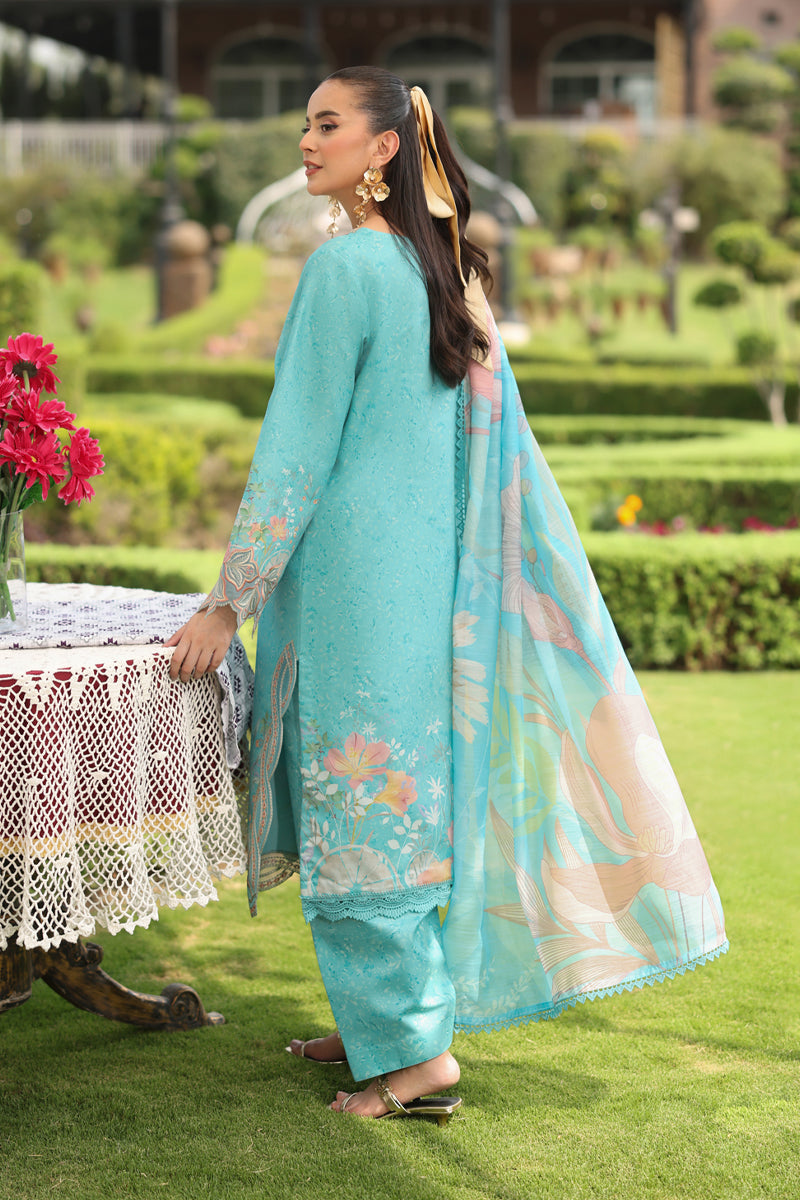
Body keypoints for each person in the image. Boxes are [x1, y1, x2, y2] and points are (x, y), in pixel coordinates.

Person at [167, 66, 727, 1123]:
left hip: (352, 592)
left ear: (384, 147)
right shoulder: (445, 277)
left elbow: (294, 449)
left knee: (359, 812)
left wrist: (227, 601)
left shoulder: (345, 268)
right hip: (428, 592)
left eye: (327, 123)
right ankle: (386, 1025)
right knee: (398, 807)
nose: (305, 141)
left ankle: (418, 1065)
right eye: (305, 124)